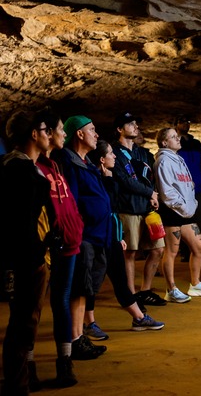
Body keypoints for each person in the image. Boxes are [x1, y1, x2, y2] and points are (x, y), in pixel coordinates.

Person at [1, 110, 55, 394]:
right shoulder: (19, 172)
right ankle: (16, 387)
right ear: (34, 134)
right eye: (46, 129)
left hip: (28, 257)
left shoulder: (17, 167)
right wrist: (35, 257)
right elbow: (19, 222)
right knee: (22, 327)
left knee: (22, 326)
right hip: (27, 260)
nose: (49, 135)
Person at [86, 140, 165, 332]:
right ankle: (88, 323)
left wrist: (117, 235)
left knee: (119, 278)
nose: (114, 156)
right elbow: (102, 209)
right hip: (95, 237)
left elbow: (112, 209)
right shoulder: (94, 179)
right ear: (102, 160)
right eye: (111, 154)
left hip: (109, 235)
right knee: (90, 283)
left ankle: (138, 318)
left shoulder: (108, 178)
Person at [35, 109, 83, 388]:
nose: (64, 133)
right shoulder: (37, 168)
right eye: (60, 129)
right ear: (47, 133)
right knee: (32, 308)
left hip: (69, 243)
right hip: (48, 246)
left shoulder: (55, 166)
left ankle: (64, 362)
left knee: (61, 302)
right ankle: (28, 366)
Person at [59, 115, 110, 360]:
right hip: (84, 237)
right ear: (79, 134)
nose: (96, 134)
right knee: (79, 289)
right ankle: (75, 338)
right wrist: (78, 234)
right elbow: (73, 203)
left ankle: (79, 336)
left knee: (85, 289)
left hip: (96, 236)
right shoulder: (69, 163)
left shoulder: (86, 162)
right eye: (92, 129)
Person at [154, 127, 201, 303]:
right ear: (165, 142)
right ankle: (171, 289)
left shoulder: (178, 159)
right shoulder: (163, 162)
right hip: (172, 211)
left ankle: (195, 284)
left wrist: (192, 205)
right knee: (172, 251)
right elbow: (167, 192)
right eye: (173, 137)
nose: (178, 139)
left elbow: (187, 185)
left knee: (199, 247)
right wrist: (183, 206)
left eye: (177, 136)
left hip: (187, 211)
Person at [111, 112, 167, 309]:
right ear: (119, 129)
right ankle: (131, 297)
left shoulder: (143, 153)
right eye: (130, 124)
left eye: (136, 123)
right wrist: (150, 193)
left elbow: (150, 176)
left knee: (158, 249)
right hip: (128, 208)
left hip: (146, 210)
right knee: (131, 253)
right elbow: (125, 182)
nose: (136, 126)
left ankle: (145, 290)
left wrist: (154, 194)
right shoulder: (114, 153)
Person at [174, 115, 201, 264]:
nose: (186, 124)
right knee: (184, 220)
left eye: (188, 121)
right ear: (176, 125)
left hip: (197, 188)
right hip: (181, 190)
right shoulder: (174, 144)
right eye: (182, 122)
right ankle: (185, 253)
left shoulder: (196, 143)